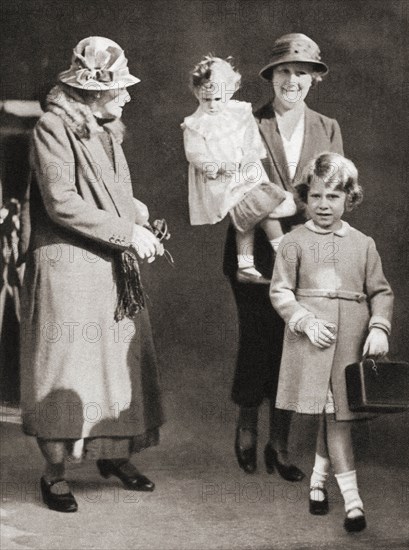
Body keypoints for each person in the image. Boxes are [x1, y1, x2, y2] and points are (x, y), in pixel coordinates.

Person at [20, 36, 165, 513]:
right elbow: (61, 202)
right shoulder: (51, 127)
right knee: (65, 366)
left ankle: (112, 456)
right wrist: (128, 232)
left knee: (115, 364)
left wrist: (138, 214)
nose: (126, 96)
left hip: (106, 262)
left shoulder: (106, 132)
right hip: (67, 265)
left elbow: (110, 195)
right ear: (92, 90)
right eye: (119, 88)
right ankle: (55, 474)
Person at [223, 33, 343, 477]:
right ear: (271, 76)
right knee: (257, 339)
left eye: (301, 72)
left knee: (296, 345)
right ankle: (246, 426)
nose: (292, 80)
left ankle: (279, 445)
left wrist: (302, 208)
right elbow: (235, 192)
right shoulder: (246, 123)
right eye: (284, 71)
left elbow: (334, 190)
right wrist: (282, 207)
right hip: (253, 254)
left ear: (313, 79)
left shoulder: (327, 127)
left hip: (306, 254)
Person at [270, 152, 393, 532]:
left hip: (351, 343)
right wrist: (304, 321)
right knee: (337, 419)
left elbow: (381, 291)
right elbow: (280, 292)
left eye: (334, 197)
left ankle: (318, 484)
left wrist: (378, 327)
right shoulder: (292, 241)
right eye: (317, 196)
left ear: (350, 199)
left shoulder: (363, 243)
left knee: (337, 416)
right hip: (313, 343)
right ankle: (354, 504)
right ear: (305, 197)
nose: (324, 205)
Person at [182, 55, 296, 284]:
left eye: (218, 98)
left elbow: (252, 141)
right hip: (223, 182)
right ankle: (286, 253)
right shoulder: (196, 124)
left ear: (232, 90)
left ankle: (245, 264)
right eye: (207, 100)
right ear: (197, 94)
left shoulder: (239, 113)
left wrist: (250, 156)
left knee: (248, 217)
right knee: (258, 211)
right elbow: (195, 155)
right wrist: (218, 166)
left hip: (246, 174)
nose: (213, 105)